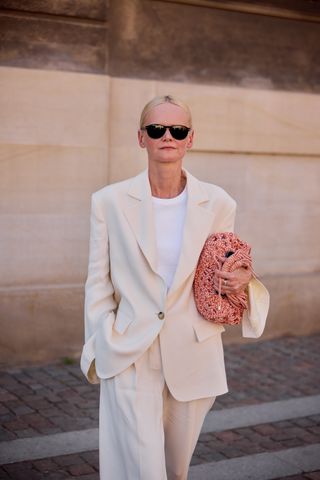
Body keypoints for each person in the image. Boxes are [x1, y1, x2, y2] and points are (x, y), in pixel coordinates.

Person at [80, 95, 269, 480]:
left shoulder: (217, 202)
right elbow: (97, 283)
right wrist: (103, 340)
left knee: (174, 470)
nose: (167, 136)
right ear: (141, 138)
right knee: (141, 469)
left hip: (193, 350)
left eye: (177, 130)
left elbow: (225, 265)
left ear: (190, 139)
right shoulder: (109, 202)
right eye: (157, 129)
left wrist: (243, 279)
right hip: (131, 350)